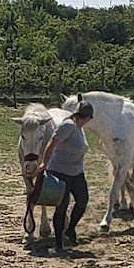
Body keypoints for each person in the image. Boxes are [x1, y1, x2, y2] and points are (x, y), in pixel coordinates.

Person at [38, 101, 93, 253]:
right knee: (61, 207)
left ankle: (70, 229)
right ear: (88, 117)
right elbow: (52, 144)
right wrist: (44, 164)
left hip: (76, 172)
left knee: (82, 200)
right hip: (60, 171)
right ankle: (58, 243)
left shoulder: (79, 128)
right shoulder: (68, 126)